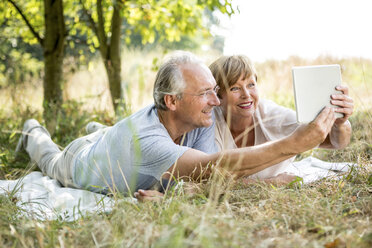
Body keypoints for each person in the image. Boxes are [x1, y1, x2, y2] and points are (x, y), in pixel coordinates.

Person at [17, 51, 338, 197]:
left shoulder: (196, 119)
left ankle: (99, 130)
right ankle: (32, 129)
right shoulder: (150, 142)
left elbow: (215, 178)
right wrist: (294, 144)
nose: (216, 102)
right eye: (206, 94)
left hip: (120, 142)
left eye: (215, 91)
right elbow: (213, 168)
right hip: (80, 163)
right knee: (48, 156)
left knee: (114, 134)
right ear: (172, 101)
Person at [208, 55, 353, 184]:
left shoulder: (273, 116)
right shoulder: (209, 122)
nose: (246, 95)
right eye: (235, 88)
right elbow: (208, 179)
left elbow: (335, 142)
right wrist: (272, 182)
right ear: (218, 96)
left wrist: (339, 124)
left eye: (251, 85)